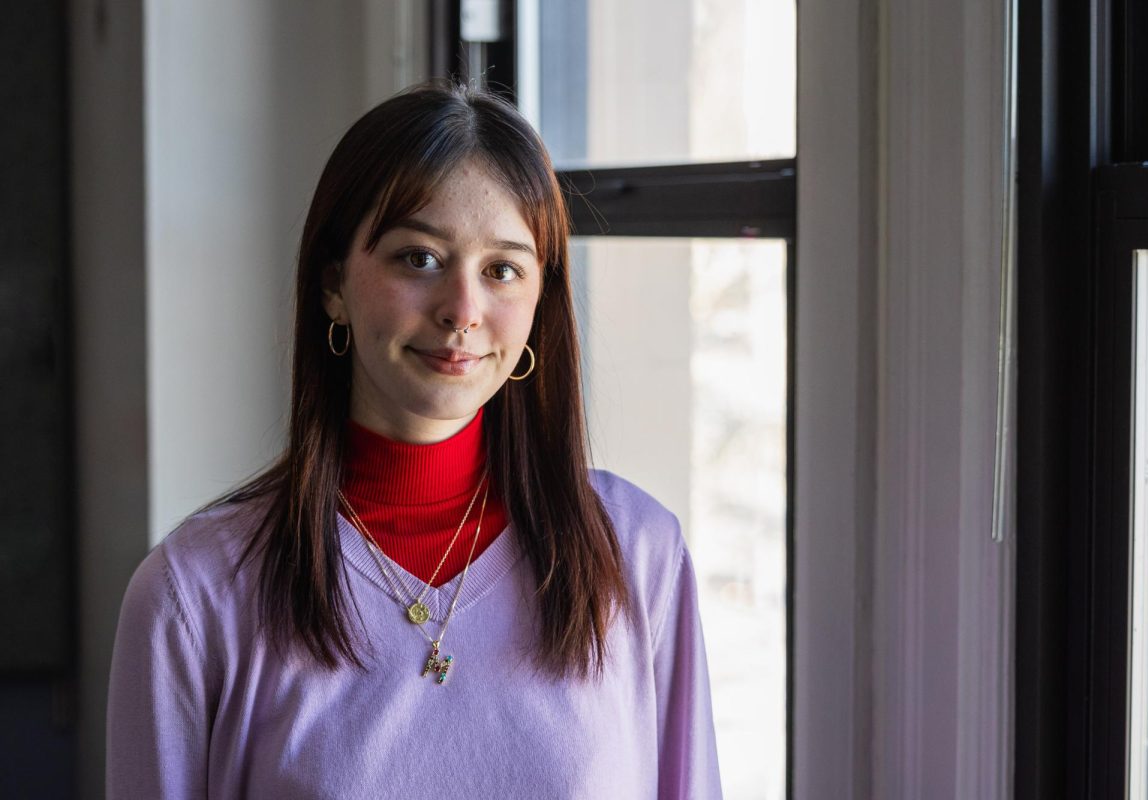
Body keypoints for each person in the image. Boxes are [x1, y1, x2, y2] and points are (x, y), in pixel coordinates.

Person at [107, 82, 722, 799]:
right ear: (334, 282)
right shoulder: (195, 595)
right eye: (419, 259)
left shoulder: (637, 557)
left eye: (502, 270)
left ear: (538, 304)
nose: (462, 311)